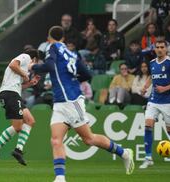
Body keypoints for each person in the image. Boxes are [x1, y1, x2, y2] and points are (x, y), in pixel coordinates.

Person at [31, 26, 134, 182]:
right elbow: (87, 74)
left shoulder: (52, 47)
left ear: (48, 38)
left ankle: (124, 152)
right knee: (55, 140)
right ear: (63, 38)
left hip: (71, 101)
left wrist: (34, 67)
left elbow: (50, 66)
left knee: (89, 139)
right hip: (60, 102)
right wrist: (71, 81)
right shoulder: (72, 54)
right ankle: (60, 178)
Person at [0, 49, 41, 167]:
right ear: (34, 59)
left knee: (30, 121)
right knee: (17, 126)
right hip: (10, 94)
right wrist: (24, 74)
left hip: (13, 93)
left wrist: (30, 83)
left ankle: (17, 150)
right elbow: (12, 65)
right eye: (35, 63)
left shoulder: (22, 68)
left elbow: (20, 85)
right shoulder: (25, 56)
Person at [139, 39, 170, 169]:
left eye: (162, 47)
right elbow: (152, 76)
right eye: (157, 47)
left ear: (166, 49)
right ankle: (148, 157)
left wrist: (166, 88)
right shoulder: (152, 63)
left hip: (168, 102)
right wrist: (145, 86)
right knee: (148, 125)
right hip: (153, 100)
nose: (159, 49)